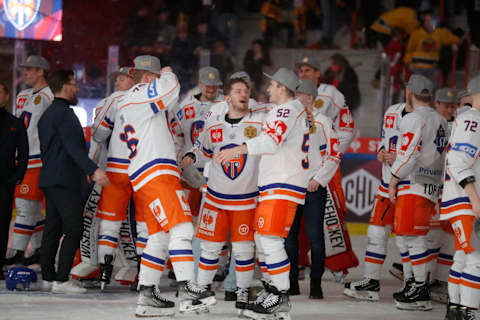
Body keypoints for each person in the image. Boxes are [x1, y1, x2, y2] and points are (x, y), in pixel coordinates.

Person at [106, 55, 214, 317]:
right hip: (156, 173)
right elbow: (170, 90)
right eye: (154, 76)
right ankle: (188, 289)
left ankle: (147, 294)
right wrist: (168, 72)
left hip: (147, 175)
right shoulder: (140, 92)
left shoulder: (132, 101)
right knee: (182, 227)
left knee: (158, 237)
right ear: (147, 77)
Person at [215, 67, 309, 319]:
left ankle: (280, 297)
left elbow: (270, 141)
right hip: (278, 183)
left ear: (282, 88)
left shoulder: (287, 109)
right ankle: (272, 290)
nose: (267, 89)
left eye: (272, 85)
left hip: (283, 183)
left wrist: (240, 149)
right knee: (263, 240)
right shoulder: (291, 110)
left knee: (270, 240)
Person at [183, 77, 263, 315]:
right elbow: (203, 150)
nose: (243, 94)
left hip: (246, 200)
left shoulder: (259, 122)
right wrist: (192, 155)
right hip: (216, 199)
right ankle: (202, 291)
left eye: (246, 91)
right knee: (209, 249)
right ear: (227, 98)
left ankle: (241, 293)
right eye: (238, 91)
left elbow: (279, 134)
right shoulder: (214, 125)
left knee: (244, 251)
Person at [38, 70, 110, 293]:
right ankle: (61, 280)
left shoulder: (47, 114)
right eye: (73, 83)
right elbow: (73, 149)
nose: (77, 88)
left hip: (50, 178)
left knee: (52, 227)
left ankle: (48, 277)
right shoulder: (66, 115)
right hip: (64, 181)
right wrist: (93, 169)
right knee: (74, 228)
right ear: (64, 86)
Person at [344, 84, 413, 301]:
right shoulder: (392, 111)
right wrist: (382, 151)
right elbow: (384, 141)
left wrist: (401, 159)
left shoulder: (426, 118)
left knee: (405, 239)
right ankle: (371, 281)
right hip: (385, 185)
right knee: (375, 234)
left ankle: (413, 283)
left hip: (410, 187)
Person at [295, 55, 357, 282]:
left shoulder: (333, 94)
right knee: (299, 216)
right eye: (301, 70)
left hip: (325, 168)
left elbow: (347, 128)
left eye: (308, 70)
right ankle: (299, 262)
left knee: (332, 213)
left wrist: (328, 153)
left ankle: (337, 263)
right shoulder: (294, 93)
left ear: (318, 73)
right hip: (299, 167)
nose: (304, 74)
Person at [388, 75, 447, 311]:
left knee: (413, 238)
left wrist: (393, 179)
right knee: (407, 236)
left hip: (415, 183)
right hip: (431, 183)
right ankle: (413, 283)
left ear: (409, 93)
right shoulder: (441, 119)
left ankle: (420, 290)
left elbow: (408, 154)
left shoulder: (413, 118)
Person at [286, 79, 341, 299]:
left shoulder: (324, 121)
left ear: (311, 98)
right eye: (295, 94)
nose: (297, 99)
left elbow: (334, 153)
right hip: (291, 187)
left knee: (315, 237)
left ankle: (316, 283)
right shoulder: (288, 121)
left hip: (313, 189)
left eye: (301, 95)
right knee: (288, 238)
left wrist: (318, 178)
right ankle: (291, 282)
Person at [5, 55, 53, 267]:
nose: (25, 73)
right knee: (30, 209)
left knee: (25, 207)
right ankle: (40, 250)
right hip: (25, 158)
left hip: (39, 159)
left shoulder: (50, 95)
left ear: (41, 71)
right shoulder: (23, 95)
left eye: (30, 69)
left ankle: (17, 252)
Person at [440, 75, 480, 320]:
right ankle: (469, 312)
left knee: (463, 257)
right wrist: (475, 199)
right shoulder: (473, 121)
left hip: (460, 200)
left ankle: (456, 309)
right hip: (466, 201)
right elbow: (457, 162)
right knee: (476, 259)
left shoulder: (467, 119)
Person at [171, 66, 224, 217]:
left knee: (212, 220)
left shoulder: (226, 105)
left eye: (215, 85)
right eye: (208, 85)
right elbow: (177, 137)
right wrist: (180, 163)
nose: (211, 89)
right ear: (200, 84)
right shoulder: (186, 106)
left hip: (217, 174)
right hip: (190, 172)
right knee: (188, 217)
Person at [0, 82, 28, 279]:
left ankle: (0, 263)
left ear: (6, 95)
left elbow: (24, 152)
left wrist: (18, 175)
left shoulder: (14, 123)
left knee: (2, 223)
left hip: (5, 181)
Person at [404, 11, 460, 86]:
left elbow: (455, 39)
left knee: (431, 90)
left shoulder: (439, 33)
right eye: (426, 21)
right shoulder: (416, 34)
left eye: (431, 21)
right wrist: (409, 62)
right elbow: (409, 51)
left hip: (432, 68)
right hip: (417, 68)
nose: (429, 23)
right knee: (417, 89)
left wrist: (453, 43)